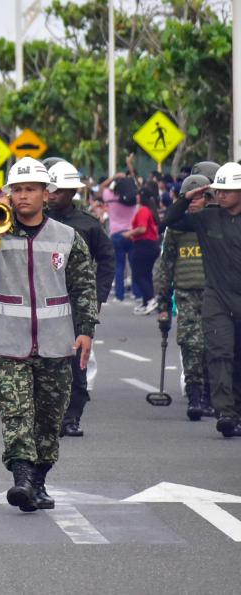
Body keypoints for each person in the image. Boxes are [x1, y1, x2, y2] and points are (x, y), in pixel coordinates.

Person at [0, 158, 97, 512]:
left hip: (55, 343)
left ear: (46, 194)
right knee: (15, 412)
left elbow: (83, 286)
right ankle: (21, 477)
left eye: (30, 189)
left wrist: (86, 331)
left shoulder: (67, 238)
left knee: (50, 419)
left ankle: (38, 482)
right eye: (16, 190)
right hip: (8, 343)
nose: (22, 197)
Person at [164, 162, 241, 437]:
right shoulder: (206, 218)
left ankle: (238, 410)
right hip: (217, 300)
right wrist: (187, 197)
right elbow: (168, 219)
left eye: (227, 191)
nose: (221, 196)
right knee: (219, 353)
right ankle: (226, 413)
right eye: (218, 191)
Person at [45, 161, 114, 438]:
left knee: (76, 363)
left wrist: (97, 298)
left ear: (72, 191)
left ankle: (72, 417)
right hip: (42, 301)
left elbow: (107, 261)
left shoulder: (88, 225)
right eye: (48, 189)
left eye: (58, 191)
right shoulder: (35, 221)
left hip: (76, 303)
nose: (51, 195)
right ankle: (48, 414)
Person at [156, 174, 212, 421]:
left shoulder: (216, 223)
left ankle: (214, 396)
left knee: (215, 347)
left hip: (216, 295)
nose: (194, 202)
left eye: (200, 196)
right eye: (190, 197)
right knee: (191, 345)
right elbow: (165, 268)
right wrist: (164, 306)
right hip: (187, 295)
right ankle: (196, 396)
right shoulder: (177, 230)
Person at [103, 160, 141, 302]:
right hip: (132, 234)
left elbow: (101, 189)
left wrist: (113, 177)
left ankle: (119, 295)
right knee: (133, 265)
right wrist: (130, 176)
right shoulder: (133, 199)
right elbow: (138, 186)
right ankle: (137, 293)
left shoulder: (110, 197)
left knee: (119, 266)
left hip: (116, 235)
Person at [125, 186, 161, 315]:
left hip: (144, 245)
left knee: (138, 275)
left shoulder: (143, 211)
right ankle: (147, 302)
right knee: (146, 274)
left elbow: (142, 228)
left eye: (138, 194)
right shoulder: (150, 210)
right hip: (151, 245)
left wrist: (129, 233)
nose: (136, 196)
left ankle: (150, 299)